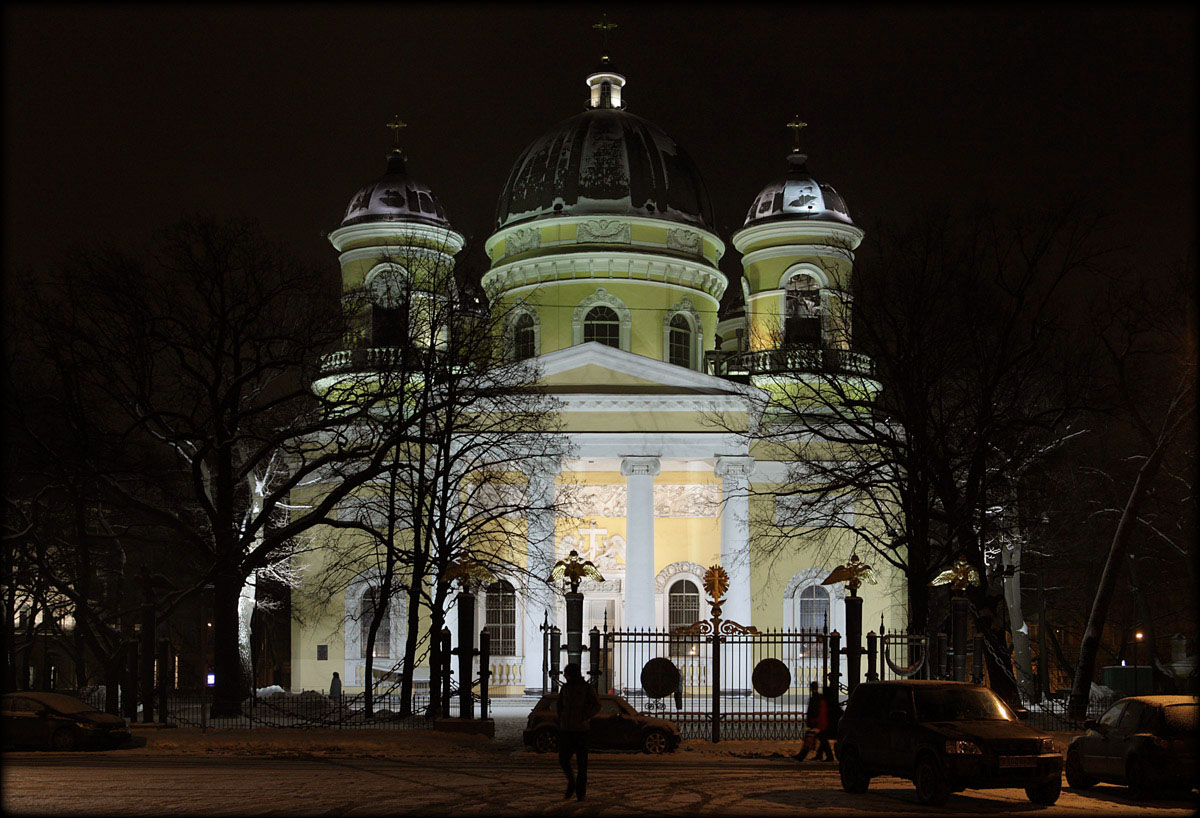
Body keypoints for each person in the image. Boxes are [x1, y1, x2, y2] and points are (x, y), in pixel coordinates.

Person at [556, 662, 601, 801]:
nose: (565, 676)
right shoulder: (565, 688)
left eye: (567, 673)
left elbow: (597, 705)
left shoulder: (586, 688)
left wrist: (584, 716)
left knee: (582, 765)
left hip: (581, 730)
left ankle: (580, 793)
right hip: (567, 729)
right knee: (563, 759)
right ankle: (572, 783)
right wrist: (562, 717)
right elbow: (559, 705)